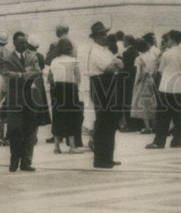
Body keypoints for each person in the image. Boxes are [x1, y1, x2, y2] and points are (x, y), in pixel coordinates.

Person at [3, 31, 46, 172]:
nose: (24, 45)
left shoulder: (32, 57)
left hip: (30, 99)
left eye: (25, 43)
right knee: (15, 131)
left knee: (30, 131)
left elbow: (37, 73)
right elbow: (7, 75)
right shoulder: (8, 58)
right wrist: (26, 75)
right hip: (14, 100)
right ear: (14, 43)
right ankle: (14, 160)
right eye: (21, 43)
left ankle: (26, 162)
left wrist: (20, 75)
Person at [85, 21, 124, 168]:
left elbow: (120, 64)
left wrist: (116, 64)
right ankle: (100, 159)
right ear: (95, 36)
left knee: (111, 122)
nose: (105, 36)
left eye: (105, 33)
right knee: (103, 123)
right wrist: (116, 64)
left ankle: (108, 156)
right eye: (102, 34)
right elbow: (109, 67)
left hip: (109, 84)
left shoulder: (106, 50)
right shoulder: (95, 51)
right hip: (100, 85)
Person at [146, 30, 181, 149]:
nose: (167, 41)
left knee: (163, 116)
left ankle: (159, 141)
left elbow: (160, 70)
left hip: (166, 87)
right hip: (180, 87)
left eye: (168, 39)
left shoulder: (166, 54)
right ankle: (177, 141)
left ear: (173, 40)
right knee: (179, 117)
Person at [46, 36, 83, 153]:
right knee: (71, 116)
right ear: (69, 48)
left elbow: (50, 78)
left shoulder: (54, 61)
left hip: (57, 89)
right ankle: (72, 146)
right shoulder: (74, 61)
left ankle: (57, 146)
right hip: (70, 88)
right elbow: (78, 78)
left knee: (58, 116)